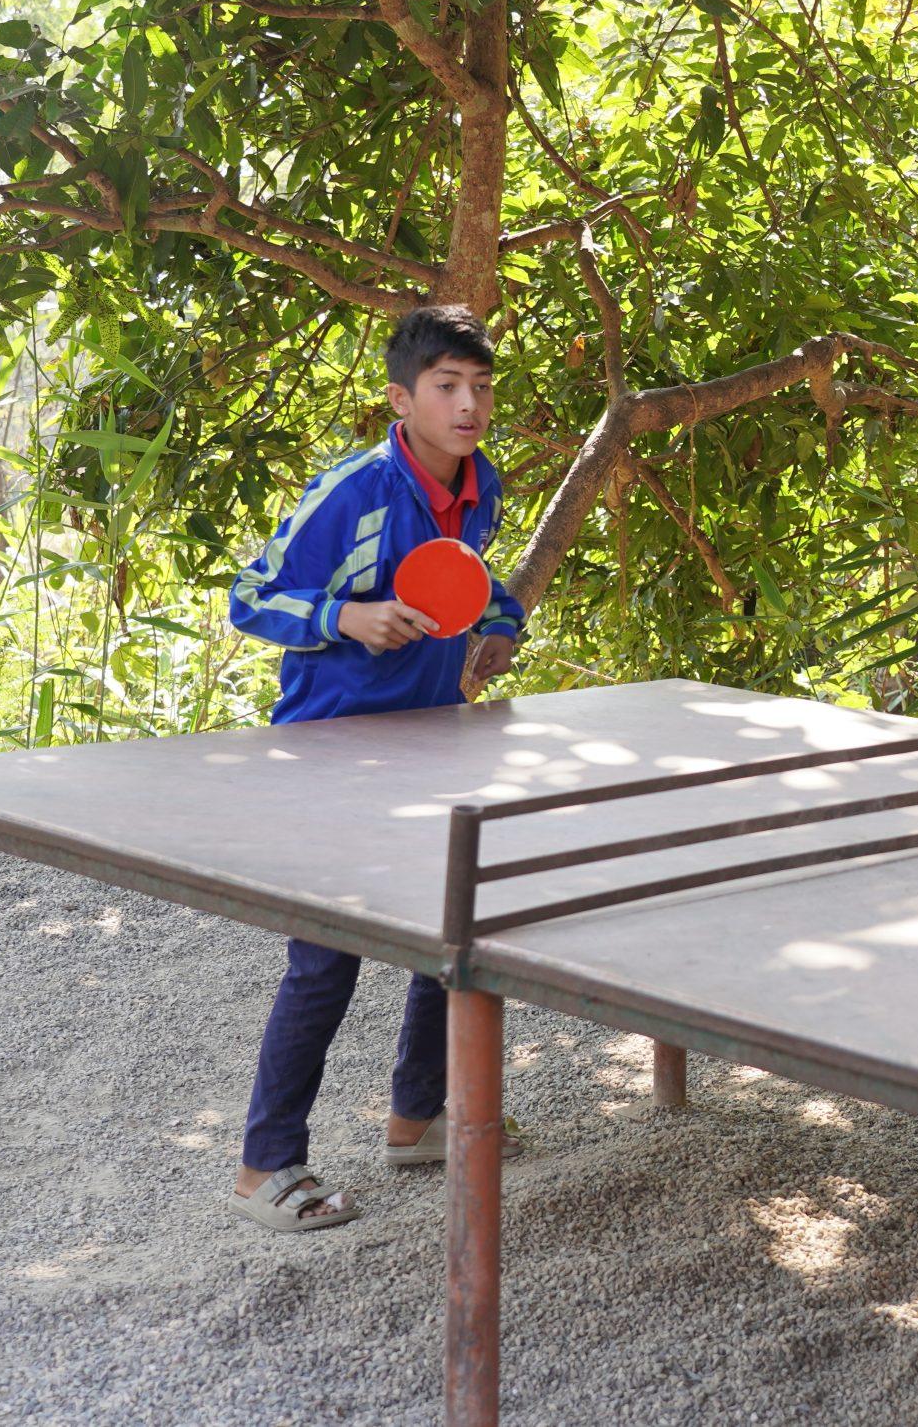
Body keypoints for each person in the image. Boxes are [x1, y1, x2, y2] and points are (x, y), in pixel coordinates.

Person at [221, 306, 528, 1231]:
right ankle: (264, 1165)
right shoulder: (350, 491)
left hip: (435, 742)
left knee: (450, 940)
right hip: (331, 754)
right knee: (326, 962)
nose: (468, 404)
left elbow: (476, 578)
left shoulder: (483, 487)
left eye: (480, 386)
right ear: (402, 398)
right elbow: (250, 594)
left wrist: (503, 626)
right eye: (447, 387)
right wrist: (344, 619)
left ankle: (420, 1116)